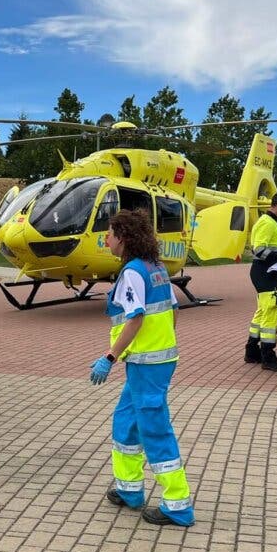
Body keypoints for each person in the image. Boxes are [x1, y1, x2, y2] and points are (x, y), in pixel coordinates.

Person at [89, 209, 195, 527]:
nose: (105, 238)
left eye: (109, 232)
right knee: (127, 422)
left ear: (123, 238)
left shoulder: (134, 272)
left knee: (154, 429)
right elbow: (173, 309)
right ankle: (129, 489)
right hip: (151, 361)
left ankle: (177, 504)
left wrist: (109, 357)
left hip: (148, 363)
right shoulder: (156, 267)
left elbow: (135, 317)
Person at [245, 191, 277, 372]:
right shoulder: (267, 223)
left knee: (262, 312)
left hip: (264, 272)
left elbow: (272, 248)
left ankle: (252, 351)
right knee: (271, 313)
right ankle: (268, 356)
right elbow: (259, 250)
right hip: (264, 272)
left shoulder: (270, 223)